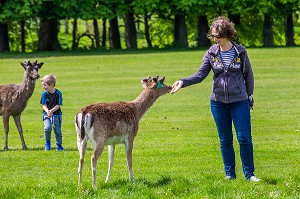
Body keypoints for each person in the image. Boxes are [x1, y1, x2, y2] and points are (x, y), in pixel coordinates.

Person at [171, 16, 260, 182]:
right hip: (218, 103)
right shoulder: (211, 53)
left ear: (227, 34)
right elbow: (200, 74)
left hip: (239, 101)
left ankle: (250, 175)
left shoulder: (240, 52)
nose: (215, 39)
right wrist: (183, 82)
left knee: (244, 138)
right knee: (225, 139)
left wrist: (250, 97)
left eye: (217, 36)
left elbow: (249, 76)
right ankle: (230, 175)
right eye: (213, 36)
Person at [40, 74, 64, 151]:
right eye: (43, 85)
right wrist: (48, 111)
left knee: (57, 131)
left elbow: (58, 105)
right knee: (47, 128)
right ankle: (47, 143)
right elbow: (44, 105)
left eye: (45, 85)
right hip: (46, 114)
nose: (43, 87)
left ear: (52, 85)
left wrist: (52, 110)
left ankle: (59, 145)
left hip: (57, 114)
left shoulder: (58, 93)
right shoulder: (44, 94)